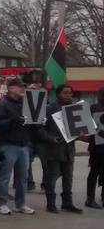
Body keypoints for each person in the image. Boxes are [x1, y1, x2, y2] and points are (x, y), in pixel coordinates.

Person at [0, 77, 36, 216]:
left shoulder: (25, 105)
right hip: (8, 143)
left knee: (23, 176)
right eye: (19, 86)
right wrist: (12, 121)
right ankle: (1, 203)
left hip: (22, 143)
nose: (22, 88)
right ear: (10, 88)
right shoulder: (2, 105)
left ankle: (20, 203)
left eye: (23, 86)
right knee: (5, 176)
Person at [39, 84, 83, 214]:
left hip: (69, 148)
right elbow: (39, 128)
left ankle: (67, 203)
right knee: (52, 177)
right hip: (55, 148)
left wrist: (80, 133)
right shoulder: (50, 108)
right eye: (65, 93)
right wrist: (50, 138)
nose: (69, 95)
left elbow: (78, 128)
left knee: (68, 177)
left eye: (70, 93)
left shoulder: (74, 108)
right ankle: (51, 203)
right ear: (58, 94)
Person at [85, 86, 104, 209]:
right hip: (97, 146)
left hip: (98, 145)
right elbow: (88, 126)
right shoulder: (94, 108)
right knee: (94, 172)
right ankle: (90, 198)